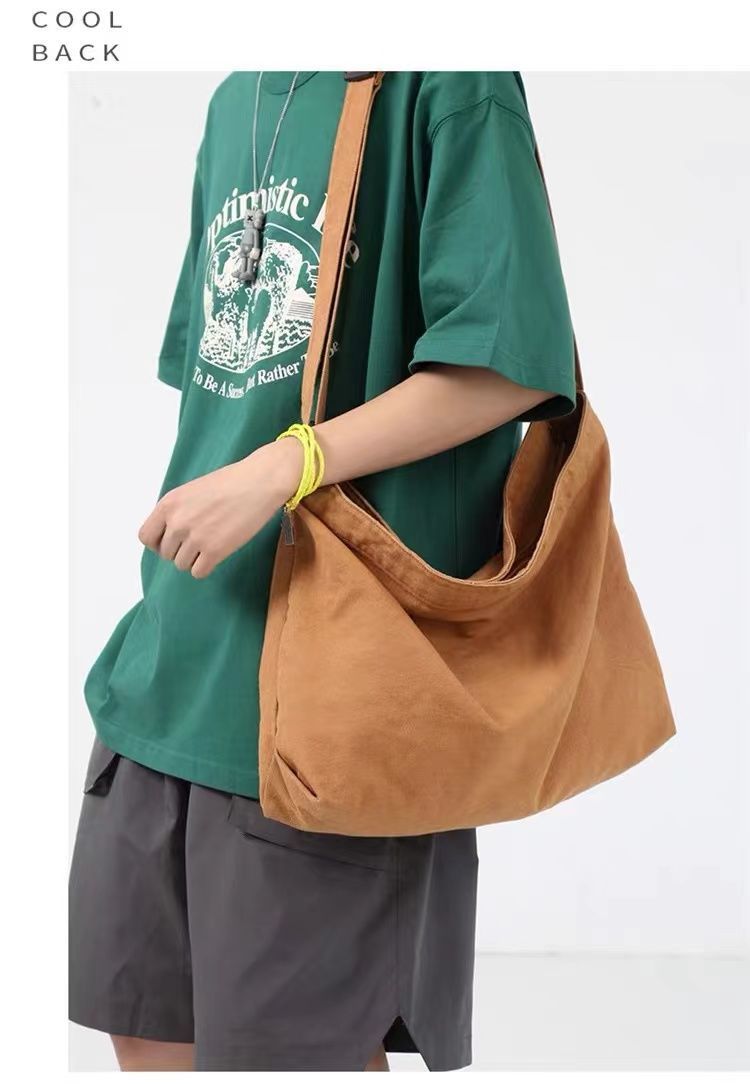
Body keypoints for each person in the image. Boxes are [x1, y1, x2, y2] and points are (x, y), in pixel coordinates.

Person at [68, 70, 577, 1072]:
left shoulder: (448, 81)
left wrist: (286, 465)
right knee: (150, 1032)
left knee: (292, 1054)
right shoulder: (236, 98)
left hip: (332, 696)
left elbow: (511, 365)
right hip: (172, 663)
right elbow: (220, 378)